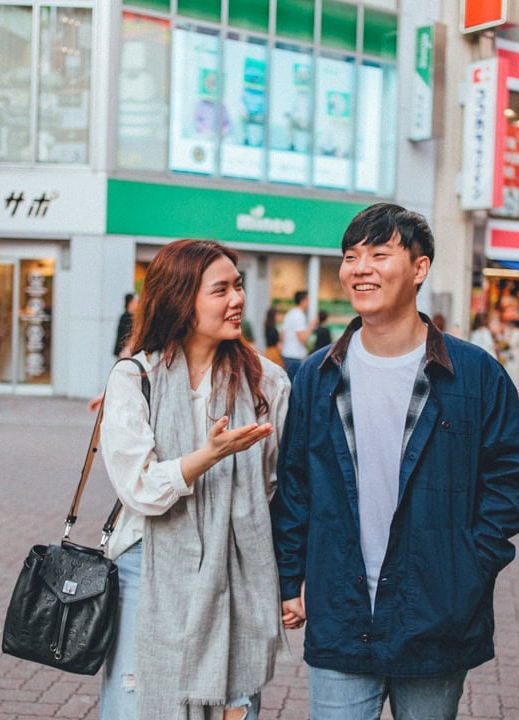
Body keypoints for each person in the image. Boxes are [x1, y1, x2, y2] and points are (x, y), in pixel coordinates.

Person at [271, 203, 519, 720]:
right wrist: (289, 579)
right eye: (350, 256)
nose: (359, 268)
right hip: (341, 610)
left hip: (435, 613)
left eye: (379, 254)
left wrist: (470, 569)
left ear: (419, 268)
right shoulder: (318, 376)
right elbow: (296, 486)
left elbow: (505, 481)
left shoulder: (474, 375)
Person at [97, 239, 289, 720]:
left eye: (238, 286)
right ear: (182, 299)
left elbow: (272, 484)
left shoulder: (267, 383)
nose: (237, 300)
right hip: (148, 562)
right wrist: (205, 458)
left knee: (232, 704)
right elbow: (138, 487)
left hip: (236, 564)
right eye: (220, 290)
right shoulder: (133, 377)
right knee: (139, 702)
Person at [280, 290, 313, 380]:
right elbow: (302, 339)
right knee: (296, 387)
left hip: (286, 354)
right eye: (308, 300)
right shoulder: (299, 315)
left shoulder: (289, 313)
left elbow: (282, 335)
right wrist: (311, 327)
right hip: (295, 356)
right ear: (303, 300)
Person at [114, 292, 138, 359]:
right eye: (135, 302)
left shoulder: (129, 317)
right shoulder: (126, 318)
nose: (137, 305)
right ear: (130, 304)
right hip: (124, 351)